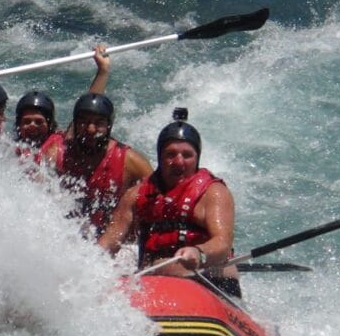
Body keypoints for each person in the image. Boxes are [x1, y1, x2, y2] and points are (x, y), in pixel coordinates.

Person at [98, 108, 241, 297]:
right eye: (170, 154)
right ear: (160, 157)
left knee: (184, 268)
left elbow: (222, 244)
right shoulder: (136, 195)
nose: (179, 162)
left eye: (187, 155)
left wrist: (199, 252)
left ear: (197, 158)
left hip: (208, 277)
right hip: (156, 279)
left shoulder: (213, 193)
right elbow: (108, 243)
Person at [58, 46, 152, 237]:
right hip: (71, 239)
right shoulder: (59, 153)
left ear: (109, 127)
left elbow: (162, 200)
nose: (91, 130)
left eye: (99, 124)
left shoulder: (132, 162)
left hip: (116, 242)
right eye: (84, 123)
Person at [13, 44, 112, 169]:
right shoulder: (9, 149)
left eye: (39, 122)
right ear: (19, 125)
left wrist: (103, 71)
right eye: (27, 121)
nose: (33, 125)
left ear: (49, 124)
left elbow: (90, 107)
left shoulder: (61, 143)